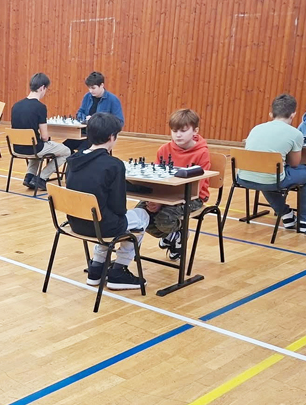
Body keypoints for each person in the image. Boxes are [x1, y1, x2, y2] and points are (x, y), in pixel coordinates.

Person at [64, 113, 149, 290]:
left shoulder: (72, 161)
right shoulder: (113, 165)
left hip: (76, 223)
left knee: (103, 216)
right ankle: (119, 270)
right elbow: (119, 208)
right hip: (102, 227)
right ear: (112, 137)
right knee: (141, 216)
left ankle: (96, 267)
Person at [237, 94, 306, 233]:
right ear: (293, 114)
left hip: (243, 177)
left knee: (267, 172)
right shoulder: (295, 133)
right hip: (271, 178)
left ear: (271, 113)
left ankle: (287, 215)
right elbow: (294, 163)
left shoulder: (256, 128)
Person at [136, 109, 211, 260]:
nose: (178, 135)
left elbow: (195, 187)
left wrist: (162, 202)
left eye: (183, 131)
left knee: (164, 219)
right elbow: (157, 179)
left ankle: (179, 232)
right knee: (138, 216)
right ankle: (172, 236)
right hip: (164, 194)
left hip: (193, 197)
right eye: (174, 131)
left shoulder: (202, 153)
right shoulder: (164, 150)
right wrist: (156, 200)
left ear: (195, 131)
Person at [10, 73, 71, 191]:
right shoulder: (40, 107)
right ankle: (42, 178)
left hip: (17, 148)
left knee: (36, 145)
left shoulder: (16, 106)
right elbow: (44, 137)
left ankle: (29, 176)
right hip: (33, 148)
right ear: (42, 87)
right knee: (66, 151)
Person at [67, 71, 126, 153]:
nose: (90, 91)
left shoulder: (113, 100)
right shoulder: (87, 97)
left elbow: (119, 122)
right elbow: (80, 112)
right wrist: (84, 118)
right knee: (65, 148)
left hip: (100, 138)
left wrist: (96, 121)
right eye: (89, 88)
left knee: (82, 152)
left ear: (102, 85)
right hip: (85, 133)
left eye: (93, 88)